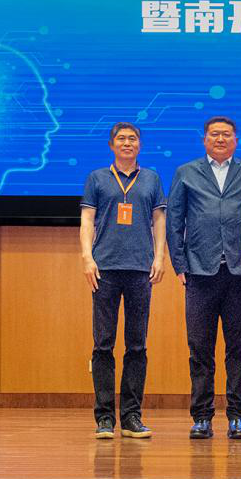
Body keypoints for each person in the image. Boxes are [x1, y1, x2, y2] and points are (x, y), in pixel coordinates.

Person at [166, 116, 241, 440]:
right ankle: (201, 417)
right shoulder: (186, 172)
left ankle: (238, 416)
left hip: (240, 272)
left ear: (236, 140)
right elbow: (174, 221)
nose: (220, 139)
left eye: (226, 134)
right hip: (199, 272)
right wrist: (179, 265)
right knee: (200, 348)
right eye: (214, 134)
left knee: (239, 349)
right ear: (204, 139)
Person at [80, 122, 167, 439]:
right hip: (104, 269)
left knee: (137, 345)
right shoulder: (97, 178)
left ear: (139, 145)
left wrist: (160, 257)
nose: (127, 143)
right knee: (103, 344)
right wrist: (87, 257)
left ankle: (131, 417)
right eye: (121, 139)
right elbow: (87, 219)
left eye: (132, 139)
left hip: (140, 269)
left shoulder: (152, 178)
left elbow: (159, 219)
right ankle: (104, 418)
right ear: (111, 144)